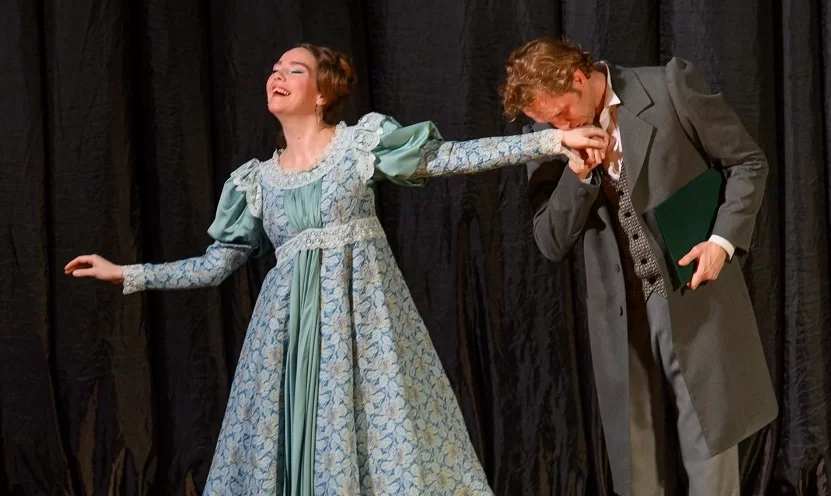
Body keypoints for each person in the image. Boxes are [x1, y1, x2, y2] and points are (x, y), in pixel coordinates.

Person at [66, 44, 609, 496]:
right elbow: (216, 265)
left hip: (360, 330)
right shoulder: (255, 181)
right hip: (285, 341)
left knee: (381, 448)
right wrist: (128, 273)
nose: (277, 76)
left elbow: (444, 158)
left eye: (294, 70)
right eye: (274, 70)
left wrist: (550, 140)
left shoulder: (359, 144)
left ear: (322, 93)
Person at [501, 38, 777, 495]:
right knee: (640, 475)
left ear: (578, 77)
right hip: (619, 320)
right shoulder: (549, 138)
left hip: (692, 300)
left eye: (563, 113)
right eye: (549, 122)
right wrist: (577, 175)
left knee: (710, 466)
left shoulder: (669, 88)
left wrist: (721, 243)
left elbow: (748, 163)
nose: (560, 126)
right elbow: (550, 241)